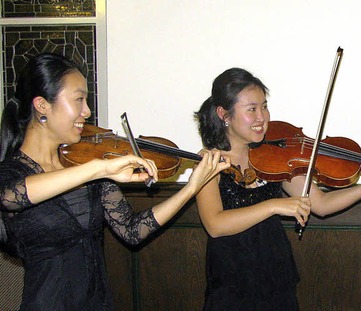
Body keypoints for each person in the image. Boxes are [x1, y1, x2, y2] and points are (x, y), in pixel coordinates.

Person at [0, 53, 230, 310]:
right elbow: (10, 196)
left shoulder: (84, 165)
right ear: (42, 105)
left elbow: (131, 230)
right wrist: (99, 169)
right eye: (79, 99)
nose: (87, 111)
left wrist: (191, 188)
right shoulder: (13, 172)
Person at [194, 67, 361, 310]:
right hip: (231, 280)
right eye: (252, 109)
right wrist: (273, 205)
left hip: (275, 273)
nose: (262, 117)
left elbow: (321, 205)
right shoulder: (209, 162)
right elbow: (215, 224)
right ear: (224, 114)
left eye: (264, 106)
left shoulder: (274, 157)